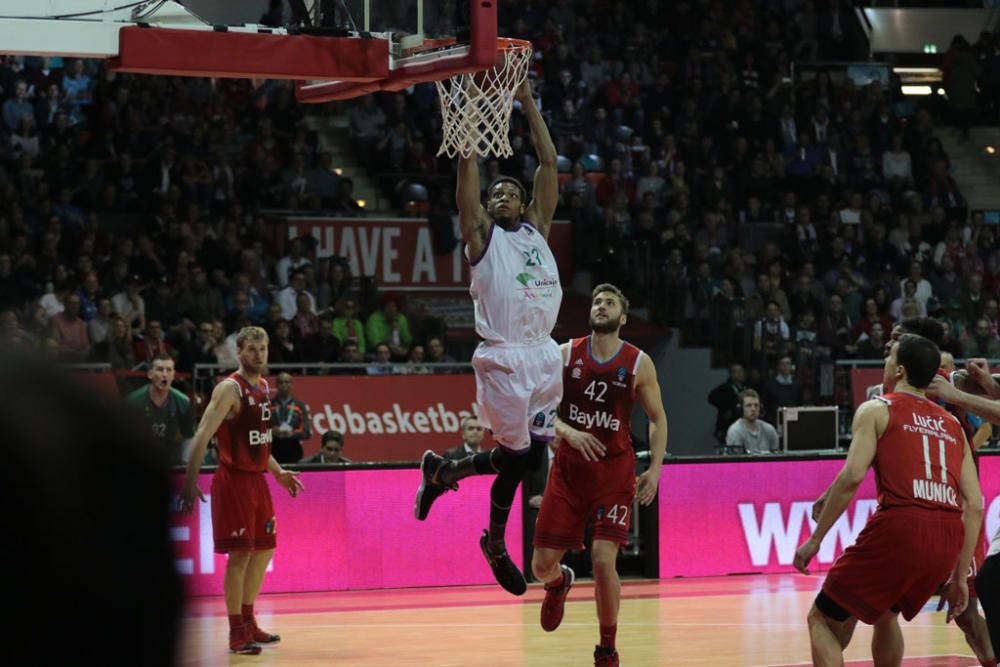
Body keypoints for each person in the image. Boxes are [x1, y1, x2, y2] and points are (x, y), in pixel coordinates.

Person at [414, 77, 562, 596]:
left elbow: (548, 164)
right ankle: (496, 544)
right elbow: (466, 190)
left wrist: (525, 100)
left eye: (510, 192)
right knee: (523, 458)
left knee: (527, 454)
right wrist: (471, 120)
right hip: (502, 358)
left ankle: (445, 473)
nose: (501, 196)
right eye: (496, 192)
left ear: (523, 205)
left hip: (545, 354)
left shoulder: (536, 230)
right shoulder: (482, 237)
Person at [794, 334, 983, 666]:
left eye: (887, 358)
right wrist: (957, 577)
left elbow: (852, 477)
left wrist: (815, 539)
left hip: (901, 527)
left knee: (821, 619)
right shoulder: (953, 424)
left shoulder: (878, 408)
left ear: (898, 369)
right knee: (885, 613)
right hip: (946, 538)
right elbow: (975, 504)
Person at [530, 284, 668, 667]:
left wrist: (654, 470)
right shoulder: (563, 354)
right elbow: (537, 409)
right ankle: (559, 583)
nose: (601, 306)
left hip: (613, 472)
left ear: (623, 317)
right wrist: (569, 432)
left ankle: (607, 647)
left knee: (603, 559)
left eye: (609, 303)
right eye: (596, 301)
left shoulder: (639, 362)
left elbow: (657, 419)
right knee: (540, 565)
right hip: (569, 472)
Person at [179, 326, 304, 655]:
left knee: (263, 550)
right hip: (233, 481)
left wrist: (277, 473)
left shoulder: (263, 386)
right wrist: (191, 481)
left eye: (263, 349)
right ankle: (236, 632)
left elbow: (261, 443)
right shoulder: (229, 389)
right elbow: (202, 434)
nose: (259, 355)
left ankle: (249, 621)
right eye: (252, 349)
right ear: (239, 352)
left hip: (258, 481)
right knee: (240, 557)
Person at [123, 353, 195, 465]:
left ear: (173, 375)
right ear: (150, 374)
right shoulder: (132, 402)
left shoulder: (183, 401)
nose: (165, 374)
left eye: (169, 370)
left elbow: (189, 435)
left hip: (168, 461)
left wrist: (185, 463)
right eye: (160, 370)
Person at [270, 372, 312, 464]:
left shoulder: (299, 406)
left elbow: (306, 432)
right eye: (281, 382)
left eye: (287, 382)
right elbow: (260, 429)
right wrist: (272, 431)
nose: (284, 385)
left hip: (293, 451)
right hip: (273, 450)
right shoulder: (269, 405)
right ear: (276, 385)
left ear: (291, 384)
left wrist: (292, 434)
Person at [725, 389, 779, 455]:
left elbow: (777, 457)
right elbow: (736, 462)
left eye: (756, 405)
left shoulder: (769, 429)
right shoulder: (735, 431)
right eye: (749, 405)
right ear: (741, 409)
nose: (753, 409)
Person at [707, 362, 747, 444]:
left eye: (741, 371)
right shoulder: (725, 388)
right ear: (731, 374)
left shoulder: (746, 387)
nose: (739, 374)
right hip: (728, 424)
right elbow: (711, 398)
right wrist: (726, 408)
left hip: (744, 424)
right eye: (736, 371)